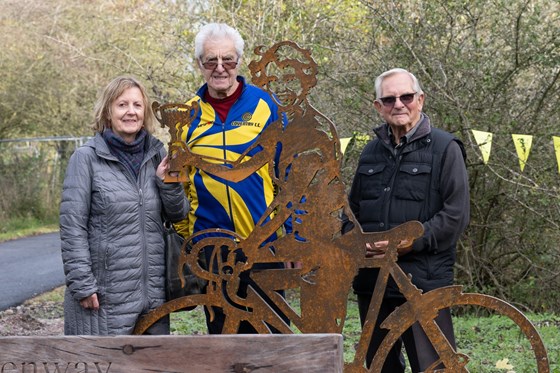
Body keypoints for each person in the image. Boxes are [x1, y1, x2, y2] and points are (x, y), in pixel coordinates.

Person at [347, 68, 470, 372]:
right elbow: (351, 213)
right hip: (373, 282)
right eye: (389, 99)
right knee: (379, 367)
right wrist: (357, 242)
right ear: (378, 106)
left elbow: (456, 216)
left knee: (432, 368)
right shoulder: (370, 152)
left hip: (422, 283)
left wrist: (410, 243)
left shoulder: (446, 148)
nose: (398, 104)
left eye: (406, 96)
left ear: (421, 99)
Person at [173, 23, 287, 334]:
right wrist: (191, 237)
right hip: (212, 252)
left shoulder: (268, 107)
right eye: (211, 60)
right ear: (199, 64)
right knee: (225, 345)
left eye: (228, 59)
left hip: (265, 245)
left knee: (274, 347)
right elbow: (178, 186)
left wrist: (292, 238)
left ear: (240, 61)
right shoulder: (184, 117)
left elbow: (289, 175)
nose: (220, 68)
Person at [60, 75, 189, 335]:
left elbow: (178, 214)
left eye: (137, 105)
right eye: (122, 105)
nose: (131, 112)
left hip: (153, 295)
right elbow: (72, 228)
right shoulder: (86, 158)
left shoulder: (158, 154)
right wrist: (83, 285)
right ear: (108, 111)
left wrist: (168, 184)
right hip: (106, 297)